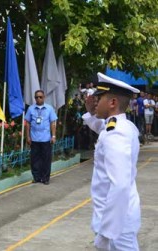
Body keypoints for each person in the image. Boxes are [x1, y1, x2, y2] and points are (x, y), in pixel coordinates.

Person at [82, 72, 141, 251]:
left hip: (117, 226)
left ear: (112, 103)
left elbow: (120, 185)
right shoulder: (119, 126)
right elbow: (102, 128)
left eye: (99, 98)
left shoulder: (117, 133)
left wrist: (107, 233)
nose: (95, 102)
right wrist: (89, 112)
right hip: (116, 219)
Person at [25, 90, 57, 185]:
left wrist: (53, 136)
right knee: (35, 159)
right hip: (34, 139)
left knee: (46, 159)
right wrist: (28, 137)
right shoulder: (31, 109)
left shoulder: (49, 108)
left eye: (40, 97)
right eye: (36, 97)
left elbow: (53, 123)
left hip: (45, 139)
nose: (38, 99)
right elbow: (27, 124)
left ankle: (45, 178)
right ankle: (36, 177)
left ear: (44, 97)